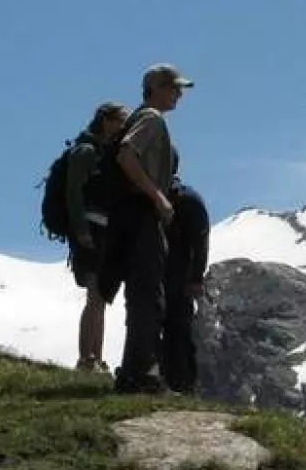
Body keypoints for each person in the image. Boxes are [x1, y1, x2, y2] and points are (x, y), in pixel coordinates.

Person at [111, 63, 193, 393]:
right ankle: (140, 375)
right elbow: (126, 156)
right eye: (174, 88)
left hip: (129, 215)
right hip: (142, 214)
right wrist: (158, 197)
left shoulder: (141, 117)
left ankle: (135, 371)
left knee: (141, 294)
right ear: (157, 87)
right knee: (148, 296)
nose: (179, 95)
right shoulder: (151, 118)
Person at [65, 101, 129, 373]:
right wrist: (80, 230)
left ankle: (97, 357)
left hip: (103, 229)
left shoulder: (103, 152)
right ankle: (86, 358)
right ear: (106, 121)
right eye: (120, 121)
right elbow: (73, 192)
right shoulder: (87, 151)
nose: (123, 127)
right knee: (94, 295)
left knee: (100, 296)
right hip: (90, 229)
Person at [161, 148, 210, 394]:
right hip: (167, 274)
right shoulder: (188, 198)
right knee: (173, 329)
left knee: (176, 329)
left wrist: (195, 278)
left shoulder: (186, 200)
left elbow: (200, 242)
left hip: (177, 276)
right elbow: (201, 240)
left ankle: (180, 385)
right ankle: (172, 383)